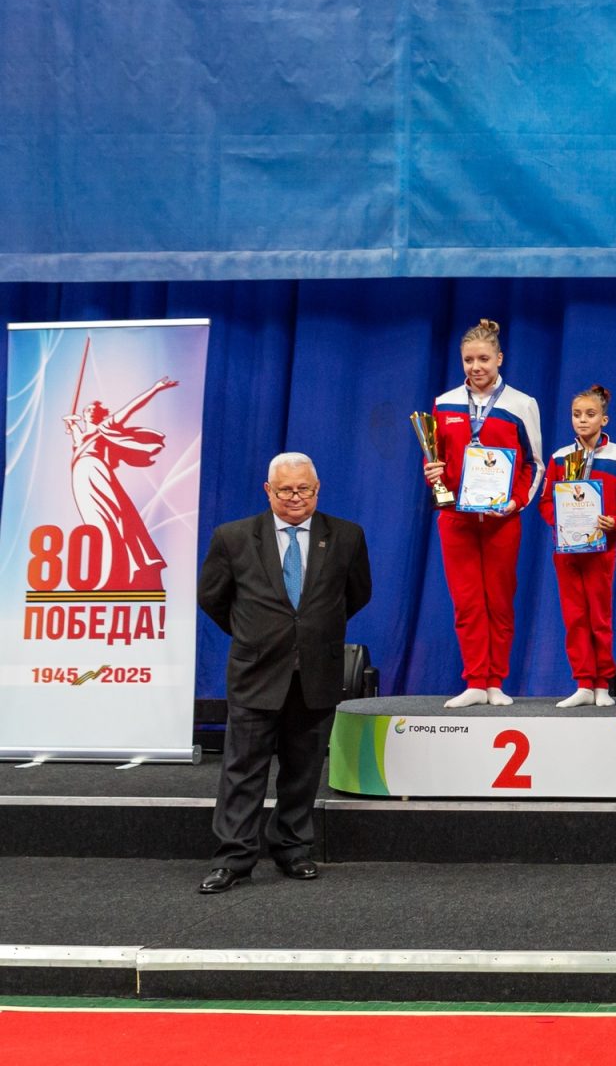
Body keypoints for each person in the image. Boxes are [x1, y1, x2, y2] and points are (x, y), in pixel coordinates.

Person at [195, 453, 372, 894]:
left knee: (303, 768)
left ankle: (293, 848)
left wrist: (311, 633)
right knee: (242, 770)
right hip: (256, 672)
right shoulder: (233, 537)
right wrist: (255, 634)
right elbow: (212, 597)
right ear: (268, 490)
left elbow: (357, 594)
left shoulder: (346, 536)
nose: (295, 498)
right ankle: (233, 858)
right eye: (285, 490)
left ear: (318, 489)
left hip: (316, 672)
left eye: (304, 489)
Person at [421, 319, 543, 709]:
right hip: (456, 520)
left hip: (501, 521)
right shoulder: (444, 403)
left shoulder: (521, 404)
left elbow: (534, 464)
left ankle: (495, 682)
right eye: (468, 360)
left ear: (499, 358)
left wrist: (517, 502)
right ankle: (475, 681)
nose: (476, 367)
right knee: (467, 602)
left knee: (499, 602)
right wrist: (433, 473)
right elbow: (436, 459)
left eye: (484, 359)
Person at [538, 384, 616, 708]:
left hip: (601, 551)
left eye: (590, 414)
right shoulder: (559, 457)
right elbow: (545, 502)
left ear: (604, 419)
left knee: (599, 617)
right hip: (567, 552)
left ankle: (602, 685)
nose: (582, 420)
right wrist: (562, 522)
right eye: (576, 414)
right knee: (574, 617)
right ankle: (583, 682)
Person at [65, 375, 179, 592]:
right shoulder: (81, 435)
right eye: (88, 409)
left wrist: (155, 388)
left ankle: (117, 571)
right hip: (80, 477)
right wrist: (71, 425)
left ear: (102, 414)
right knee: (94, 521)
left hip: (96, 472)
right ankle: (105, 573)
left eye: (95, 409)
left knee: (111, 518)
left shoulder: (106, 426)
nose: (91, 411)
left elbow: (131, 408)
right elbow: (77, 440)